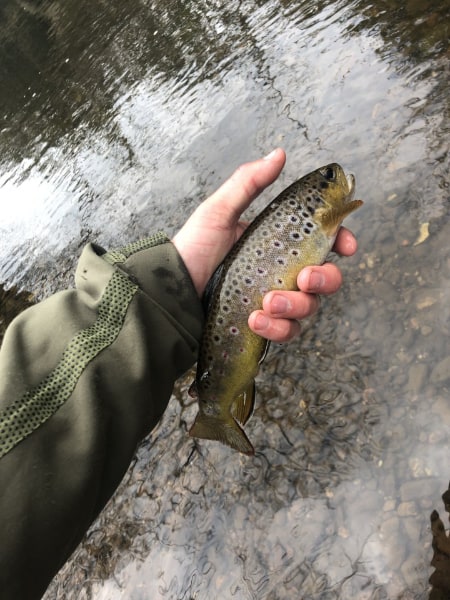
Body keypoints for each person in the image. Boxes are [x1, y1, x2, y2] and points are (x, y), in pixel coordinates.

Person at [0, 148, 357, 599]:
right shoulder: (335, 206)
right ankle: (218, 411)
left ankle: (220, 404)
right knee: (256, 332)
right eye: (330, 178)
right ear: (325, 198)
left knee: (257, 330)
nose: (337, 178)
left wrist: (180, 277)